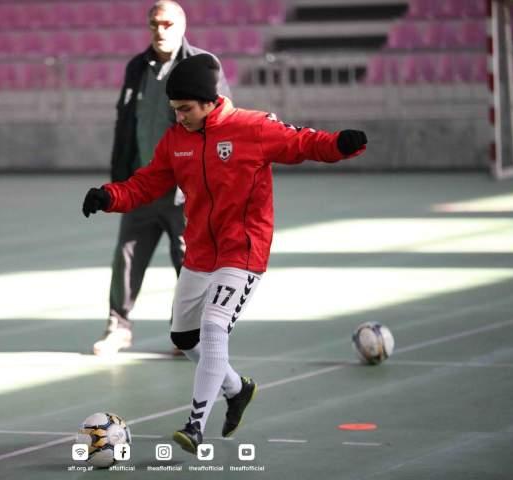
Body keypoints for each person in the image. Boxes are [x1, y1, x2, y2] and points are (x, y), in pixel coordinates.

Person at [82, 54, 367, 453]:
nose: (178, 117)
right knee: (184, 336)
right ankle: (237, 389)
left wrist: (340, 145)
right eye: (174, 110)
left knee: (215, 327)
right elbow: (147, 183)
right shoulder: (176, 140)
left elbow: (303, 142)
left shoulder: (252, 128)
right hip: (199, 251)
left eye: (185, 109)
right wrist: (109, 195)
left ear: (208, 101)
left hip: (243, 249)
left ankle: (195, 423)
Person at [93, 0, 231, 356]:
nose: (160, 31)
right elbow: (125, 124)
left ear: (182, 25)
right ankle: (118, 328)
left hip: (185, 192)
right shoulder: (137, 68)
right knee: (126, 257)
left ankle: (188, 335)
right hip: (142, 184)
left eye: (168, 24)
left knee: (189, 263)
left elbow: (221, 125)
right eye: (154, 24)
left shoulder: (203, 66)